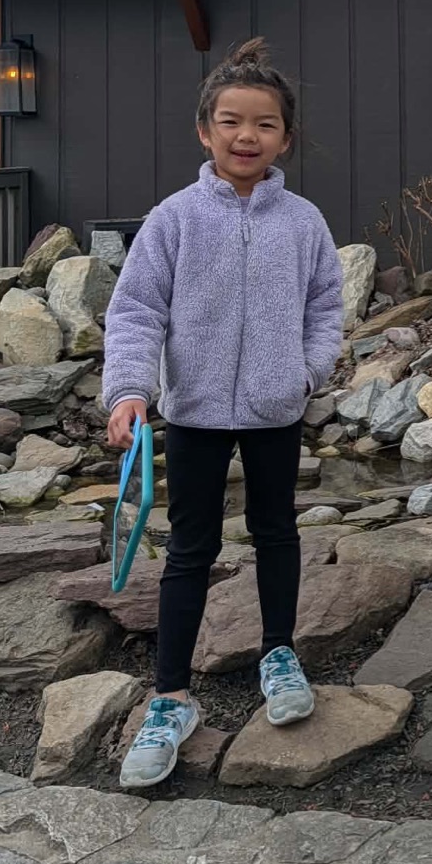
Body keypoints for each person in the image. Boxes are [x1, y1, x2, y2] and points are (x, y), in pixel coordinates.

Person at [103, 39, 343, 789]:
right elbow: (136, 311)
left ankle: (279, 652)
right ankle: (171, 697)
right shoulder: (174, 219)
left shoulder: (303, 221)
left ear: (285, 139)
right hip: (197, 411)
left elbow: (326, 306)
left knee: (277, 531)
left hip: (275, 409)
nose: (248, 136)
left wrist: (305, 374)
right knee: (189, 550)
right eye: (232, 121)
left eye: (264, 124)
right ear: (205, 131)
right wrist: (130, 391)